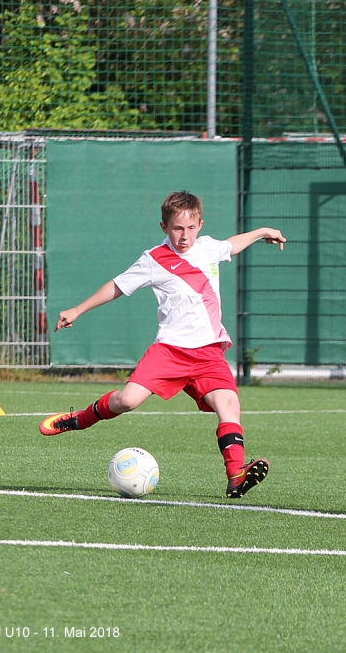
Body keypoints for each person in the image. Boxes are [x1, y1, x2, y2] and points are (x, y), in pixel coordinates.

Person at [40, 191, 285, 498]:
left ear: (200, 225)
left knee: (229, 407)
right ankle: (78, 419)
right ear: (164, 227)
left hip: (209, 353)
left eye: (191, 228)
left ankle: (236, 474)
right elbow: (117, 286)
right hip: (170, 350)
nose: (185, 236)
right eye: (177, 228)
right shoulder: (154, 259)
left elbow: (232, 245)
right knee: (127, 401)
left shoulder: (208, 248)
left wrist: (262, 231)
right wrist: (78, 310)